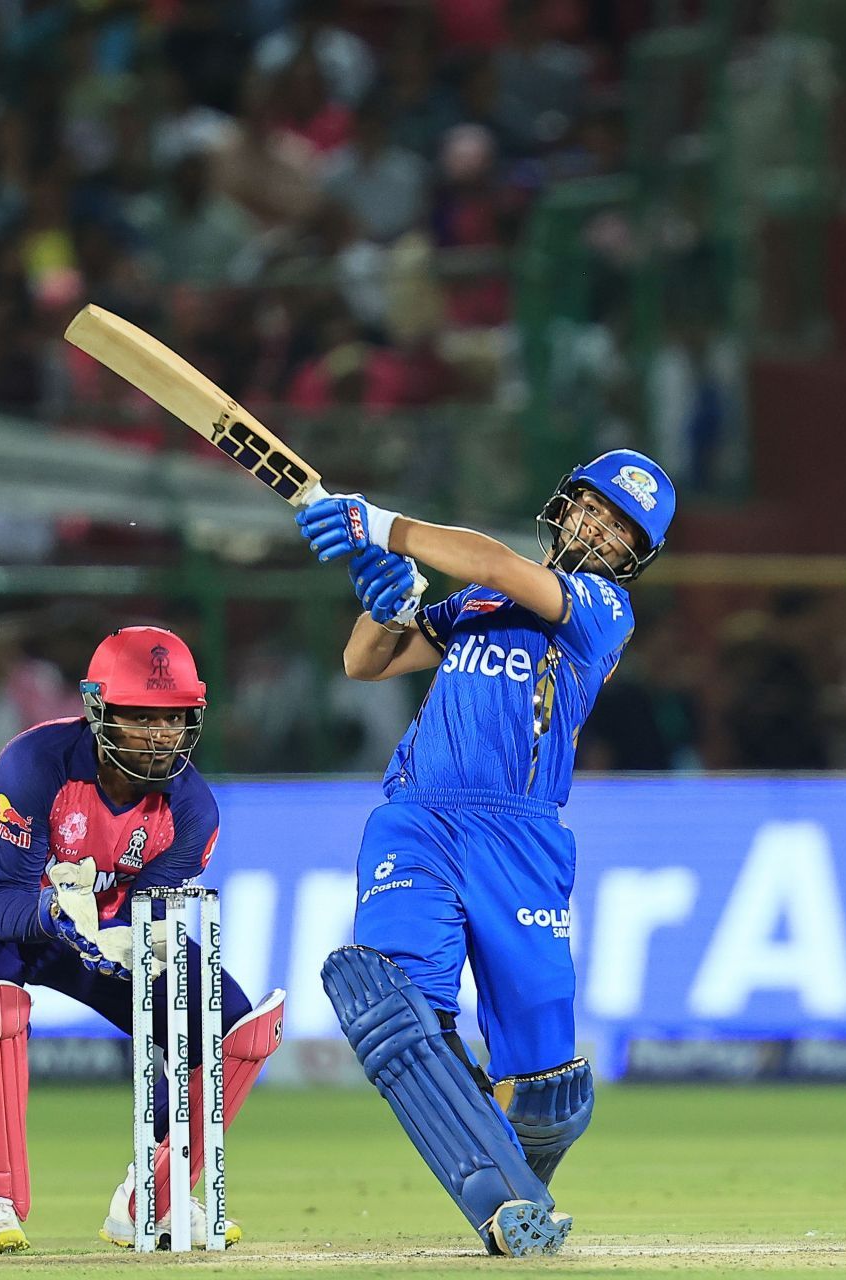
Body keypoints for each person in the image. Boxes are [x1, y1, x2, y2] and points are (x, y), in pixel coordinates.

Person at [295, 449, 676, 1257]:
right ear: (565, 504)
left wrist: (384, 526)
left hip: (523, 838)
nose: (599, 530)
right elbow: (367, 662)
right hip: (421, 820)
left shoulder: (602, 610)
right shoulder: (472, 602)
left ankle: (511, 1179)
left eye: (620, 530)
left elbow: (502, 562)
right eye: (593, 508)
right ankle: (504, 1204)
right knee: (395, 1006)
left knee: (549, 1094)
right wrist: (389, 601)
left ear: (631, 557)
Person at [0, 626, 284, 1254]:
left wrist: (121, 935)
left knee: (231, 1026)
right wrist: (62, 913)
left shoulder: (194, 814)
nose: (158, 736)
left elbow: (143, 912)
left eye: (173, 719)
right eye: (140, 717)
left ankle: (154, 1197)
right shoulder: (33, 765)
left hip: (98, 923)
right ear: (98, 711)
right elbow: (10, 911)